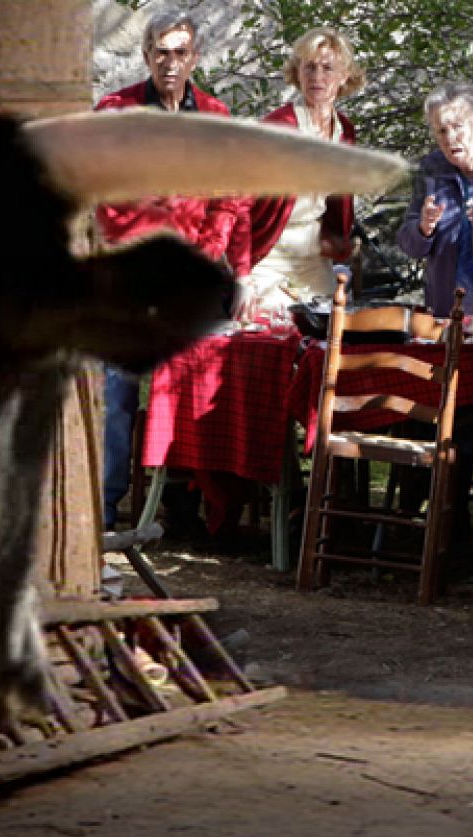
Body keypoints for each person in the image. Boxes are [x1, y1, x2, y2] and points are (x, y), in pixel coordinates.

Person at [93, 11, 250, 533]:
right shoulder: (116, 113)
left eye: (180, 52)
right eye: (161, 51)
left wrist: (207, 254)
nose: (170, 61)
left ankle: (183, 507)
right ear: (146, 56)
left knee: (191, 389)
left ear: (194, 59)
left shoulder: (215, 116)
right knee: (116, 393)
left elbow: (230, 202)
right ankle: (106, 504)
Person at [243, 27, 366, 321]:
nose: (317, 77)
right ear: (297, 73)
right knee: (274, 331)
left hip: (313, 260)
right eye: (309, 67)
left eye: (327, 68)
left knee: (330, 330)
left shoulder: (344, 130)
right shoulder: (278, 129)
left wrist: (339, 244)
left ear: (344, 76)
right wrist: (241, 274)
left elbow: (339, 203)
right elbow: (239, 205)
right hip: (268, 256)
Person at [397, 81, 473, 320]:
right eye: (441, 131)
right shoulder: (432, 168)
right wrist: (423, 229)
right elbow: (409, 245)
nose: (450, 138)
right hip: (448, 312)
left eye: (458, 127)